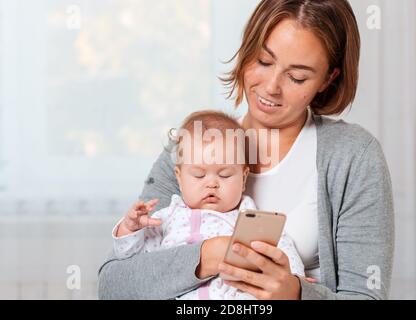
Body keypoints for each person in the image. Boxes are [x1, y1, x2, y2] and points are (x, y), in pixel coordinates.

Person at [98, 0, 394, 300]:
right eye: (264, 62)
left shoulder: (353, 157)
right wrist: (210, 255)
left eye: (297, 76)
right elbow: (114, 285)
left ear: (328, 79)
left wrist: (296, 294)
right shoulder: (194, 147)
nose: (271, 87)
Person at [110, 110, 305, 299]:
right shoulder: (165, 218)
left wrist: (296, 282)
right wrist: (130, 228)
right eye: (199, 175)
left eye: (225, 175)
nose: (211, 183)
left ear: (243, 177)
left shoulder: (250, 221)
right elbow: (130, 260)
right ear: (179, 177)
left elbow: (282, 250)